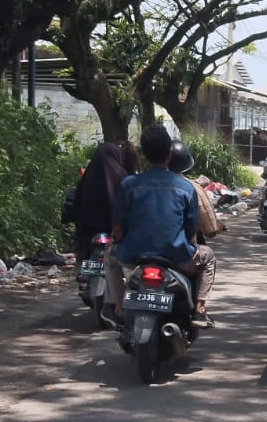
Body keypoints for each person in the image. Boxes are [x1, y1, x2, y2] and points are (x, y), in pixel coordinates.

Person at [105, 126, 215, 329]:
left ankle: (117, 307)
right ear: (169, 153)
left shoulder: (128, 184)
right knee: (208, 256)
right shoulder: (186, 187)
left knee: (108, 255)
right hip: (176, 257)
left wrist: (119, 243)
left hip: (133, 257)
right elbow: (191, 234)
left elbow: (118, 230)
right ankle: (199, 309)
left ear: (144, 155)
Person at [73, 139, 138, 258]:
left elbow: (75, 206)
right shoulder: (126, 181)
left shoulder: (87, 180)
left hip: (86, 243)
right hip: (116, 242)